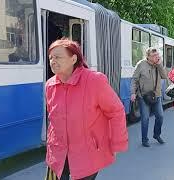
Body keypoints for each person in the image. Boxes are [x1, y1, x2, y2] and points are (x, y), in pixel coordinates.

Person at [45, 38, 128, 180]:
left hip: (87, 153)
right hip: (57, 153)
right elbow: (52, 119)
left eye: (58, 57)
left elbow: (116, 111)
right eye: (51, 57)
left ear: (73, 59)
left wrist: (117, 143)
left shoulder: (94, 80)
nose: (53, 61)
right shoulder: (50, 85)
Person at [131, 47, 167, 147]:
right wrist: (133, 93)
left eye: (157, 55)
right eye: (153, 56)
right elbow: (134, 79)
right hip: (143, 96)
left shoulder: (159, 64)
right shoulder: (141, 64)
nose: (156, 57)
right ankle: (144, 139)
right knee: (145, 118)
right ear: (148, 56)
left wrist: (159, 65)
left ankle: (156, 135)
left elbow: (164, 76)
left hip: (157, 96)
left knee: (160, 116)